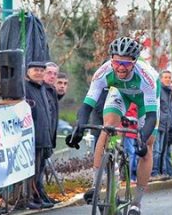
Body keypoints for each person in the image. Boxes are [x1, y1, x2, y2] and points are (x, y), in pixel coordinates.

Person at [65, 37, 159, 215]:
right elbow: (87, 106)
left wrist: (142, 138)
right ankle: (96, 184)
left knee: (147, 144)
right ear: (111, 60)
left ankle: (137, 202)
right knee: (107, 127)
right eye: (117, 62)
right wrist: (79, 127)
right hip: (120, 93)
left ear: (135, 61)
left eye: (126, 63)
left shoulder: (147, 77)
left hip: (144, 99)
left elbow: (152, 117)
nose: (121, 67)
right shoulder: (103, 71)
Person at [24, 61, 54, 209]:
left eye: (42, 70)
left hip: (44, 138)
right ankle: (30, 198)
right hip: (32, 139)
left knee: (39, 172)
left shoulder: (42, 88)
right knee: (31, 172)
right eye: (36, 70)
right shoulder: (24, 88)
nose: (39, 73)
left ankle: (38, 196)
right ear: (27, 72)